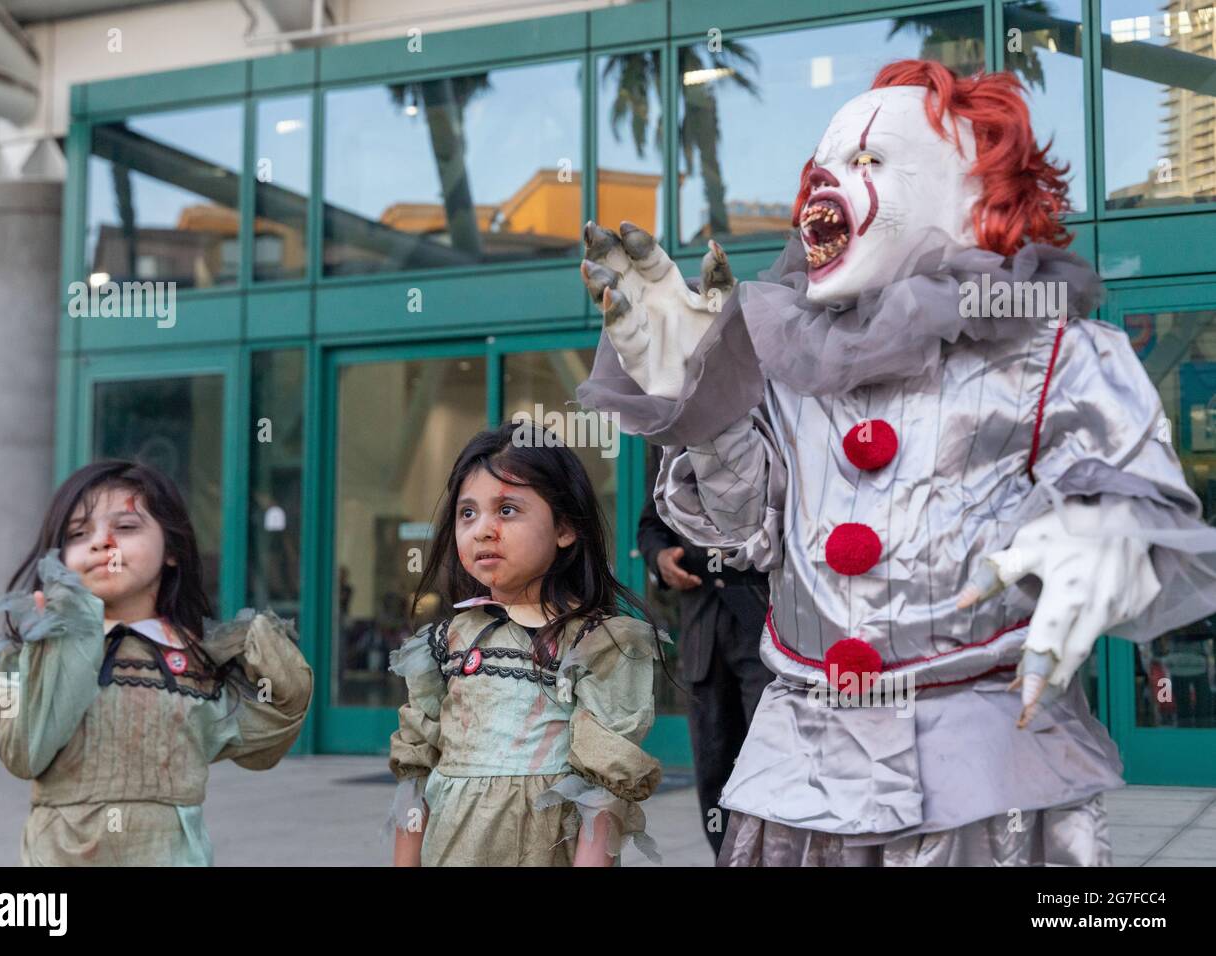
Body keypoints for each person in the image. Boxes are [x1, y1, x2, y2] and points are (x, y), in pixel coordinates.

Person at [575, 60, 1216, 865]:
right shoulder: (783, 361)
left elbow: (1145, 508)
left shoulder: (1056, 352)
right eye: (824, 166)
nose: (830, 182)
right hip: (802, 765)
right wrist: (702, 413)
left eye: (870, 162)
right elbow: (748, 531)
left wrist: (1104, 541)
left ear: (976, 199)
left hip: (983, 775)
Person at [0, 459, 313, 866]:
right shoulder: (34, 654)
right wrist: (65, 638)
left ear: (171, 551)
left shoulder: (194, 658)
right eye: (78, 533)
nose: (102, 542)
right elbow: (25, 753)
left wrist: (276, 667)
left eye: (125, 527)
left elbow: (262, 740)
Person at [388, 421, 666, 866]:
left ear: (565, 528)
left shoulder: (596, 643)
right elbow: (415, 775)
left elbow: (604, 793)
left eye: (508, 510)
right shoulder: (443, 644)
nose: (483, 530)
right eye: (468, 513)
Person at [637, 478, 769, 857]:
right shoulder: (674, 443)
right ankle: (726, 858)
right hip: (702, 635)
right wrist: (661, 559)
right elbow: (651, 526)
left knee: (771, 762)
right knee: (714, 774)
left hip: (764, 625)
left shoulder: (769, 426)